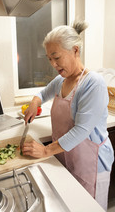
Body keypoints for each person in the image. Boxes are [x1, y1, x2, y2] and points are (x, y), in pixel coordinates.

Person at [22, 21, 114, 211]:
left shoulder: (93, 84)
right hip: (66, 156)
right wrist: (34, 102)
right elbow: (42, 94)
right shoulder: (60, 81)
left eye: (56, 57)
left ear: (75, 50)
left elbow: (81, 130)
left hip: (92, 164)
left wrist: (45, 151)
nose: (53, 64)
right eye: (49, 59)